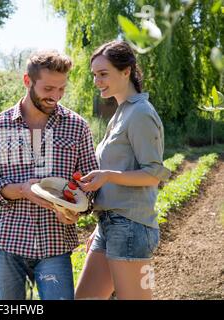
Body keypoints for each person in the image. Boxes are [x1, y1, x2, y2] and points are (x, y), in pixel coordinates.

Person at [0, 50, 98, 300]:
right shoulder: (0, 126)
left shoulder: (77, 127)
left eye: (61, 89)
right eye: (49, 88)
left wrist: (79, 211)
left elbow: (90, 184)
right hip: (10, 245)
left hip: (55, 244)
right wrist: (22, 190)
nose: (55, 96)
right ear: (27, 81)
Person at [74, 40, 171, 300]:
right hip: (109, 224)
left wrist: (107, 176)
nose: (97, 80)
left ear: (126, 71)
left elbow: (153, 174)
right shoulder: (121, 113)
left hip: (131, 226)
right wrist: (99, 226)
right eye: (94, 75)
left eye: (103, 74)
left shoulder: (140, 113)